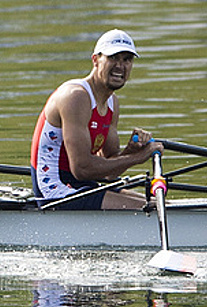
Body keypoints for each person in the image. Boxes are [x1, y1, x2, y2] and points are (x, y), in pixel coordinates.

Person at [31, 29, 163, 210]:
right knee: (152, 208)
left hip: (81, 185)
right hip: (55, 190)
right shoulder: (75, 97)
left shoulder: (112, 102)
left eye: (127, 60)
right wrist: (138, 158)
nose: (120, 66)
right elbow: (82, 168)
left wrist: (131, 151)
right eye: (113, 58)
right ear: (95, 60)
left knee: (160, 204)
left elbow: (109, 171)